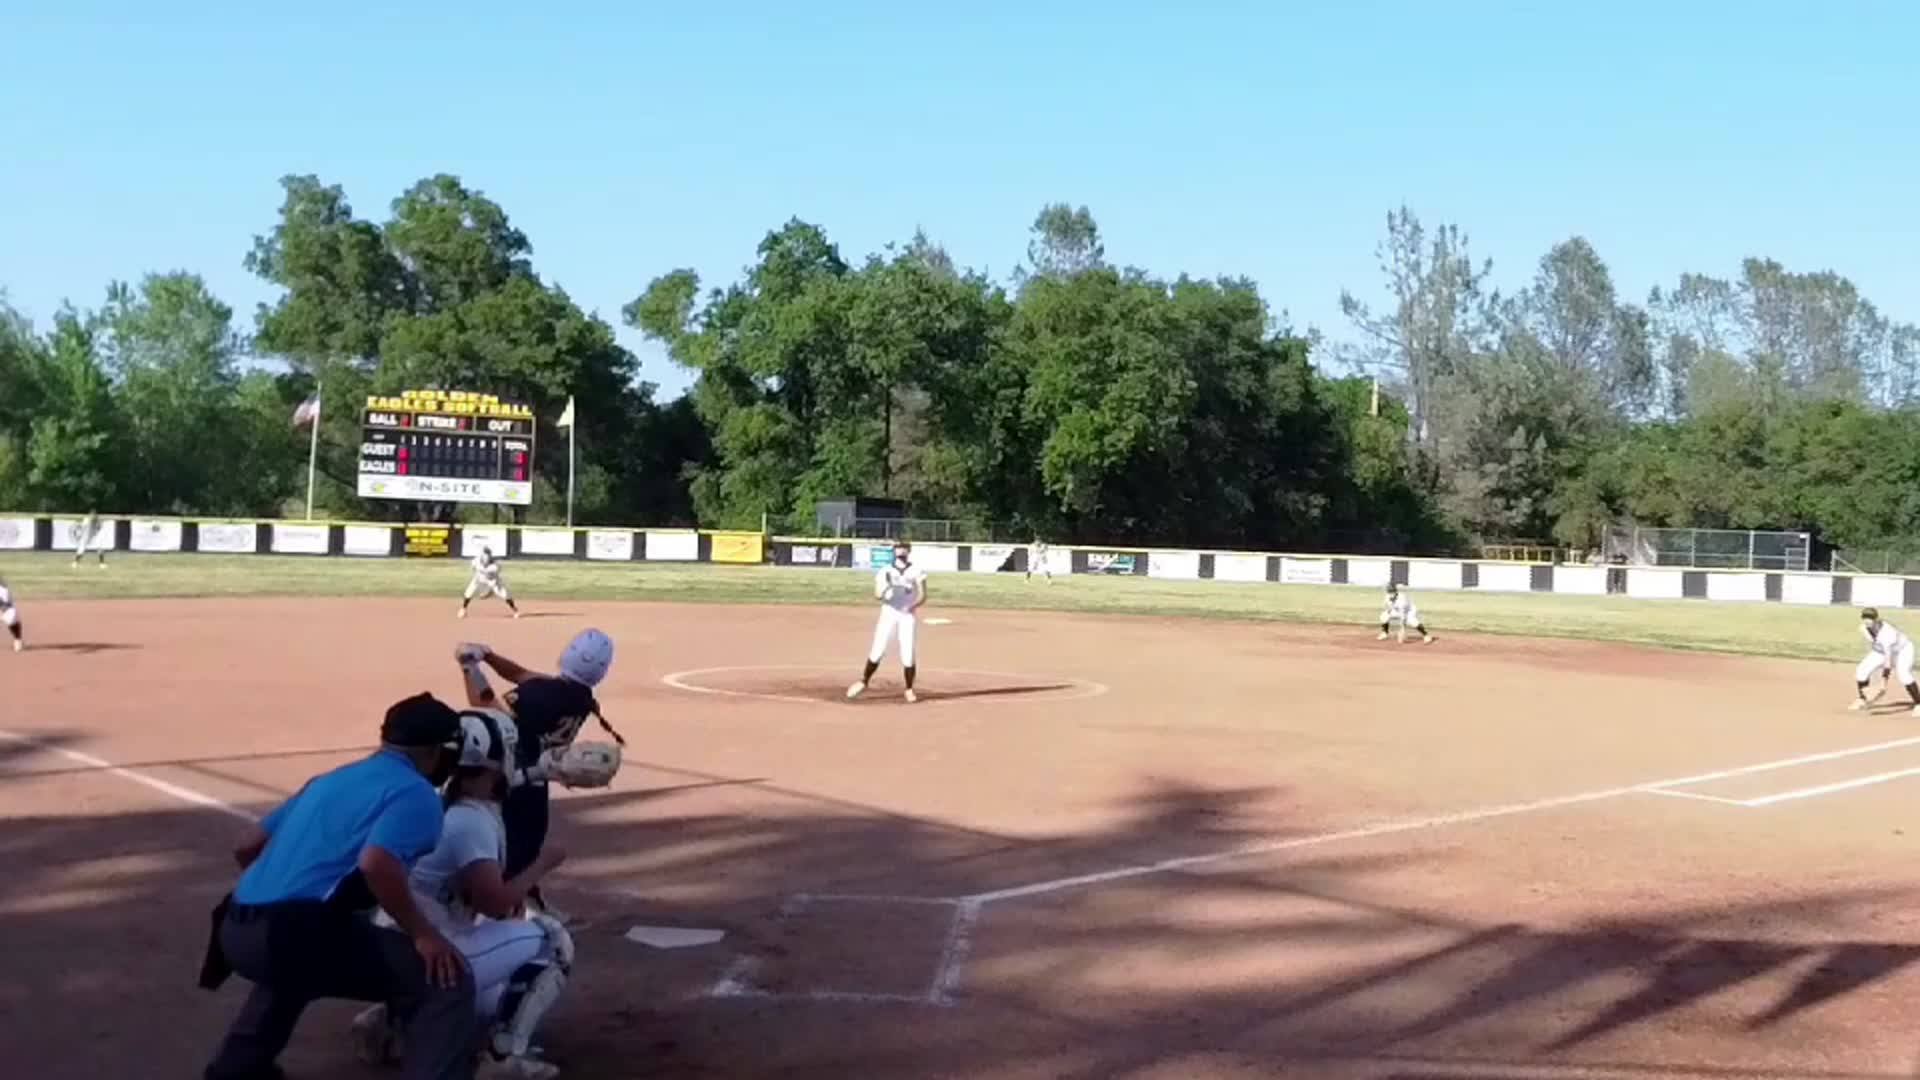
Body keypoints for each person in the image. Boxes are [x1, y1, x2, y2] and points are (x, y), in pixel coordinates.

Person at [200, 692, 478, 1080]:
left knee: (296, 968)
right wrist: (423, 934)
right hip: (288, 934)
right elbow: (377, 863)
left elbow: (246, 844)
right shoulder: (415, 793)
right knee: (447, 981)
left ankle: (236, 1072)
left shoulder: (331, 779)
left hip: (235, 928)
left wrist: (273, 893)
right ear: (435, 752)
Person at [351, 709, 573, 1079]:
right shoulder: (472, 820)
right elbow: (493, 901)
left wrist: (544, 772)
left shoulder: (437, 795)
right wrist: (543, 864)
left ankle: (387, 1022)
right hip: (429, 949)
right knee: (551, 939)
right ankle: (503, 1058)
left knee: (490, 972)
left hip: (390, 940)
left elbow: (485, 781)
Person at [455, 629, 615, 924]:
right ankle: (528, 900)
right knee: (527, 843)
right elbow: (521, 674)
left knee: (503, 843)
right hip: (538, 776)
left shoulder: (544, 693)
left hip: (507, 776)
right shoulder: (581, 698)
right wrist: (489, 656)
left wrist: (470, 666)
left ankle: (502, 906)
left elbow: (487, 705)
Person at [847, 540, 928, 703]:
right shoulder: (885, 570)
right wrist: (887, 586)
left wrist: (912, 606)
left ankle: (909, 689)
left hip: (907, 615)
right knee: (878, 650)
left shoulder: (917, 570)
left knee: (908, 653)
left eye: (904, 548)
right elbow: (877, 595)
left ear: (909, 551)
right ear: (894, 551)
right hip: (888, 614)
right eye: (898, 548)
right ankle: (864, 681)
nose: (901, 550)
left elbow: (922, 595)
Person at [1852, 607, 1920, 713]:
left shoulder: (1887, 633)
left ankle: (1918, 703)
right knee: (1861, 670)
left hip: (1903, 650)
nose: (1867, 620)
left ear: (1876, 619)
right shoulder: (1863, 629)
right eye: (1865, 618)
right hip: (1880, 651)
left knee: (1903, 674)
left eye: (1870, 618)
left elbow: (1888, 661)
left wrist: (1883, 683)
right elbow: (1877, 646)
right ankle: (1863, 699)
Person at [460, 545, 522, 620]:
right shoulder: (475, 561)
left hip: (492, 581)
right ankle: (463, 609)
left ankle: (515, 610)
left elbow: (493, 580)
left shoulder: (495, 566)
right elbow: (473, 568)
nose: (486, 558)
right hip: (479, 578)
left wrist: (488, 592)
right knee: (469, 592)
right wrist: (476, 576)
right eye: (485, 555)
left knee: (505, 595)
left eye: (488, 556)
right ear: (481, 556)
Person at [0, 574, 22, 652]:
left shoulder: (2, 590)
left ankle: (18, 639)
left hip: (6, 608)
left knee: (10, 618)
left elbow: (5, 604)